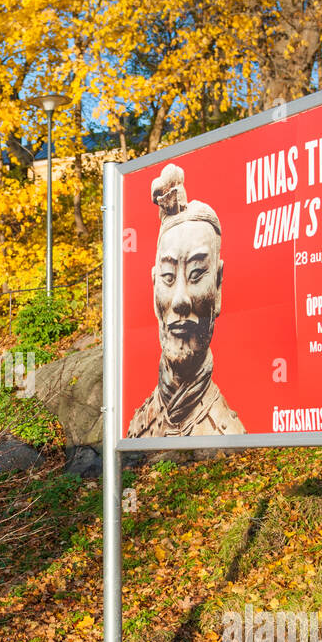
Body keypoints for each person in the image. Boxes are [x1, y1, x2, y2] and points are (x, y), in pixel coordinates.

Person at [127, 162, 245, 437]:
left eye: (196, 274)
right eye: (168, 276)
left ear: (218, 285)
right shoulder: (139, 425)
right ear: (154, 285)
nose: (180, 300)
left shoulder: (228, 434)